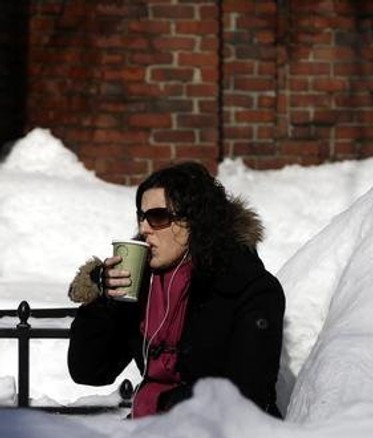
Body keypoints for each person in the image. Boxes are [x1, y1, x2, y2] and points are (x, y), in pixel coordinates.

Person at [67, 162, 285, 418]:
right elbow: (89, 371)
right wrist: (104, 302)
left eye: (158, 217)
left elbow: (247, 396)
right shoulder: (144, 282)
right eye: (141, 216)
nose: (144, 228)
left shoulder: (248, 287)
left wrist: (162, 404)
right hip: (149, 428)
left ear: (194, 221)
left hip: (218, 434)